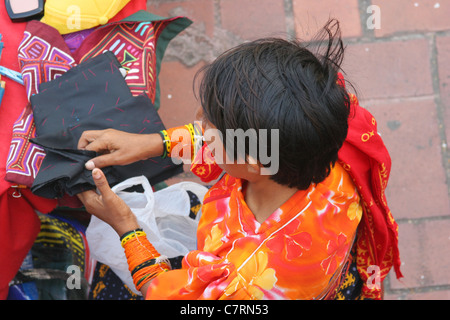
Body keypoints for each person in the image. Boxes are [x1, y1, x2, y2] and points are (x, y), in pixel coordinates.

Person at [76, 20, 402, 300]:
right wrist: (151, 144)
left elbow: (168, 293)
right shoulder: (324, 122)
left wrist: (127, 228)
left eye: (209, 124)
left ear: (252, 162)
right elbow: (238, 142)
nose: (197, 121)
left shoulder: (246, 277)